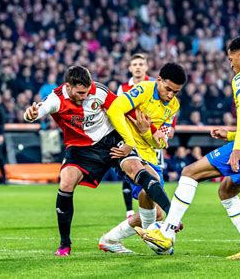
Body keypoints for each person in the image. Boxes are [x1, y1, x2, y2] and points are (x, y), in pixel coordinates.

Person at [135, 36, 240, 260]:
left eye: (232, 60)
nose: (231, 65)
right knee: (226, 191)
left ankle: (167, 232)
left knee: (189, 173)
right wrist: (230, 135)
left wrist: (237, 146)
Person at [24, 65, 172, 256]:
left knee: (137, 169)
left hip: (110, 141)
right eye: (80, 93)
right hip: (80, 149)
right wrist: (30, 115)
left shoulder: (98, 91)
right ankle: (64, 244)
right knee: (66, 182)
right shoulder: (56, 99)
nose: (85, 96)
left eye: (87, 92)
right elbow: (38, 110)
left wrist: (151, 131)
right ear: (68, 87)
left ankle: (171, 215)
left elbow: (124, 109)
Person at [100, 62, 187, 253]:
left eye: (176, 92)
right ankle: (151, 238)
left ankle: (110, 240)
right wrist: (130, 141)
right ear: (159, 80)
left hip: (150, 156)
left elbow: (160, 142)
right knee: (153, 199)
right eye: (168, 89)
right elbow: (115, 109)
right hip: (127, 151)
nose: (171, 95)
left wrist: (147, 132)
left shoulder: (173, 106)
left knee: (153, 209)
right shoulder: (143, 90)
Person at [116, 53, 154, 219]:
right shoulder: (123, 88)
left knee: (153, 171)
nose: (138, 67)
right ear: (130, 68)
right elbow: (117, 111)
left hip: (149, 137)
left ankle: (151, 207)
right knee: (129, 169)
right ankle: (130, 211)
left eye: (141, 64)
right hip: (129, 136)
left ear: (146, 66)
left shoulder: (153, 85)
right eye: (135, 64)